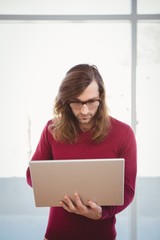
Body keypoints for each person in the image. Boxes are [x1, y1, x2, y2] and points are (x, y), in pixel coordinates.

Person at [26, 64, 137, 240]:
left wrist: (101, 213)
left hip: (102, 235)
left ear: (101, 96)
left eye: (91, 101)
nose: (84, 111)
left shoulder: (123, 133)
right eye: (77, 102)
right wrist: (60, 185)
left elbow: (128, 190)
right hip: (56, 235)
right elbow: (32, 176)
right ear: (65, 101)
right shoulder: (52, 129)